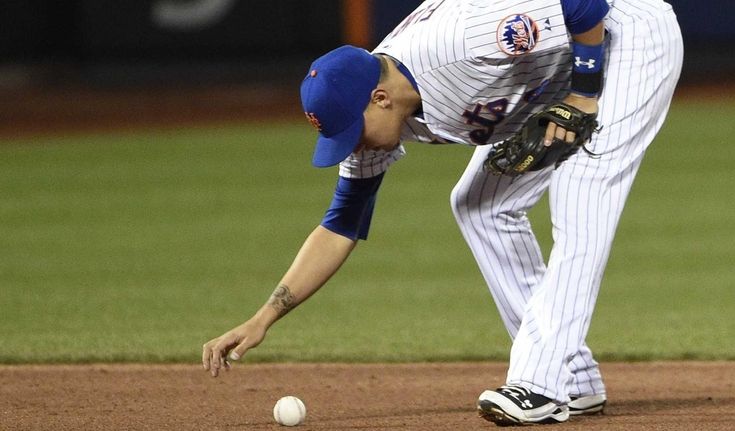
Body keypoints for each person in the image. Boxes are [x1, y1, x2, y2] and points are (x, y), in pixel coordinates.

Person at [202, 0, 683, 425]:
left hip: (629, 40)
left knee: (582, 187)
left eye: (353, 130)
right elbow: (341, 223)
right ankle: (573, 377)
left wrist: (583, 94)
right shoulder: (379, 105)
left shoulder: (463, 42)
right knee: (479, 205)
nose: (354, 144)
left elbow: (583, 6)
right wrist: (263, 317)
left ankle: (540, 383)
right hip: (557, 76)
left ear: (381, 98)